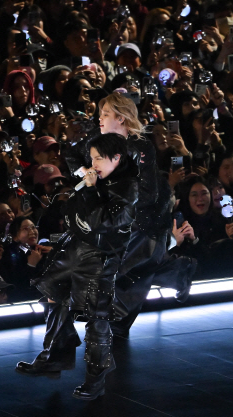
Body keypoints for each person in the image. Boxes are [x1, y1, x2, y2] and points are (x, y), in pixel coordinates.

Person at [15, 133, 139, 400]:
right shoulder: (98, 175)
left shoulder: (128, 187)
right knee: (53, 294)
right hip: (75, 247)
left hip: (101, 255)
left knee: (97, 317)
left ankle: (96, 377)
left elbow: (99, 222)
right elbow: (72, 156)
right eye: (92, 158)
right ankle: (53, 357)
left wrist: (90, 190)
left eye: (99, 158)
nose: (93, 164)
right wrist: (98, 136)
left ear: (117, 159)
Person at [65, 93, 196, 337]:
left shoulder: (140, 146)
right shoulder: (96, 141)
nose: (100, 119)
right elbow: (70, 155)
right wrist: (84, 172)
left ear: (121, 118)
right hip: (121, 215)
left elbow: (148, 194)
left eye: (105, 114)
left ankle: (118, 323)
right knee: (128, 271)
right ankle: (177, 272)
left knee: (127, 271)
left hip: (147, 214)